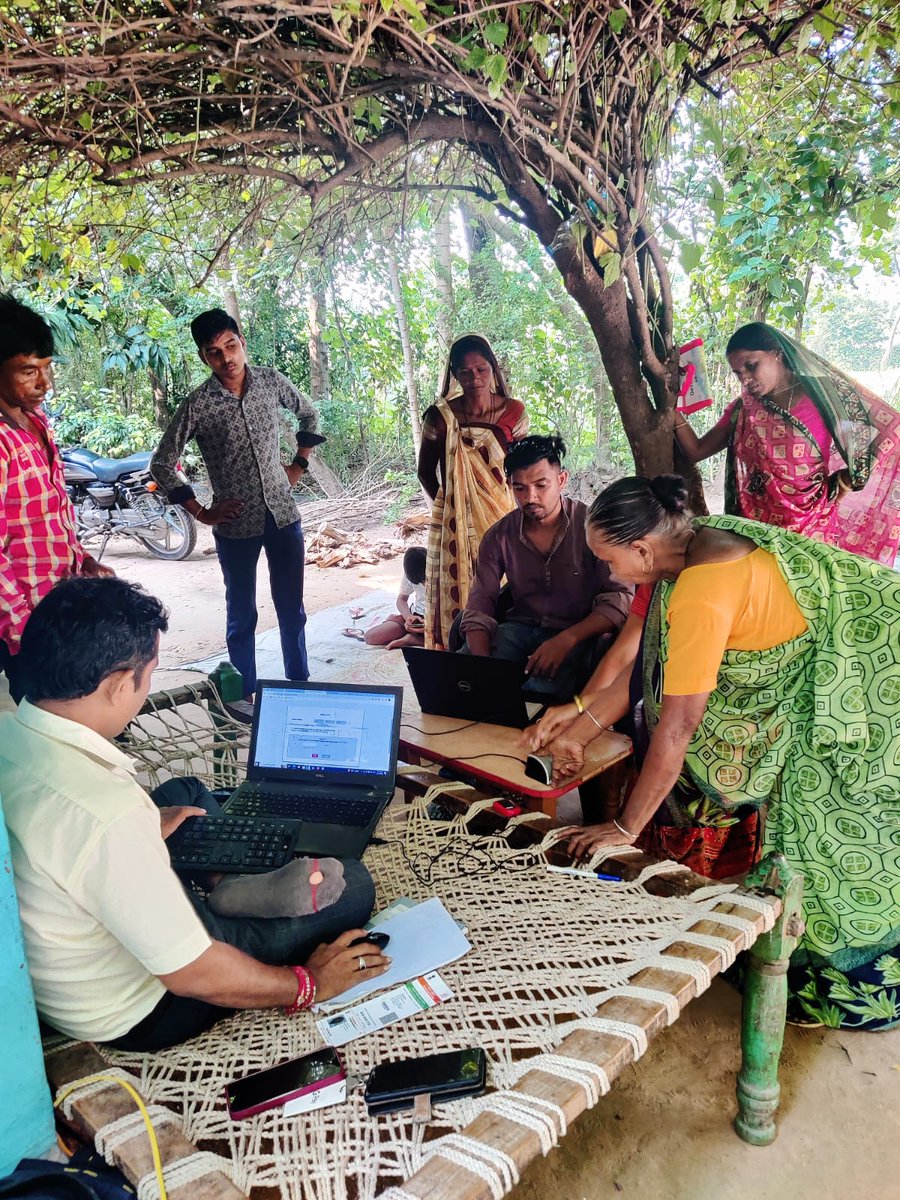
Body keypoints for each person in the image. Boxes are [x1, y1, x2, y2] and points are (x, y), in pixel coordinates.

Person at [528, 474, 900, 1029]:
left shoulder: (701, 593)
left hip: (855, 692)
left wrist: (625, 828)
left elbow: (677, 729)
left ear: (642, 549)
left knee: (828, 836)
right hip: (850, 661)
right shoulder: (700, 540)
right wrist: (581, 714)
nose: (610, 574)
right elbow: (644, 677)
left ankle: (843, 985)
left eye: (609, 562)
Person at [0, 576, 388, 1051]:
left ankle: (228, 882)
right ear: (121, 684)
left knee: (185, 792)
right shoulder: (105, 810)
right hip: (146, 1003)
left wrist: (145, 830)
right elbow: (193, 973)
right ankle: (225, 893)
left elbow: (84, 838)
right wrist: (309, 983)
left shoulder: (9, 733)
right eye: (150, 673)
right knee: (353, 882)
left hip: (79, 931)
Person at [151, 309, 321, 715]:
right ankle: (243, 695)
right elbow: (161, 462)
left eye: (231, 346)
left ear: (242, 340)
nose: (226, 358)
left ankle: (299, 682)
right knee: (241, 614)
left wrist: (299, 464)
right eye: (214, 352)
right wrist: (199, 511)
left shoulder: (269, 381)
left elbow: (309, 412)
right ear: (203, 357)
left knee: (291, 608)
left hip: (283, 516)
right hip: (234, 526)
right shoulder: (198, 404)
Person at [674, 321, 900, 565]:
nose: (745, 380)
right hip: (756, 529)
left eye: (751, 366)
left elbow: (889, 430)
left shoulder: (823, 395)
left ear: (777, 354)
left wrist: (848, 480)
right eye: (738, 373)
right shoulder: (744, 409)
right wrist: (670, 409)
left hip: (814, 522)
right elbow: (697, 450)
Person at [0, 294, 112, 701]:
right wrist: (23, 633)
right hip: (23, 628)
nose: (44, 385)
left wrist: (82, 561)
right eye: (29, 371)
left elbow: (47, 518)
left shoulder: (34, 422)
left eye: (46, 369)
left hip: (55, 612)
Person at [461, 435, 632, 698]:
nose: (531, 497)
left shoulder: (591, 527)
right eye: (520, 488)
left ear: (562, 480)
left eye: (541, 485)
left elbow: (619, 597)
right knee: (462, 679)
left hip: (578, 630)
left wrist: (568, 639)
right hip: (518, 629)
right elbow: (480, 603)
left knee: (537, 694)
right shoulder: (499, 536)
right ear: (509, 485)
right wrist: (483, 666)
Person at [417, 334, 528, 650]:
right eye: (465, 373)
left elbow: (523, 471)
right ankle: (460, 669)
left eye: (481, 369)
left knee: (505, 594)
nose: (474, 378)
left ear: (492, 368)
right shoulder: (440, 417)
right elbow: (425, 472)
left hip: (504, 518)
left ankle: (503, 662)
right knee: (460, 595)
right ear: (455, 375)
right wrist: (450, 511)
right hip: (453, 529)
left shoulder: (514, 413)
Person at [346, 546, 426, 650]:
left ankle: (415, 640)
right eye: (420, 582)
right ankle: (416, 636)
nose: (424, 584)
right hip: (417, 618)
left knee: (452, 642)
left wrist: (430, 626)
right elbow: (401, 599)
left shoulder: (444, 575)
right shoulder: (412, 574)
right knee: (371, 637)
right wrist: (408, 617)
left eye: (425, 579)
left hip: (440, 622)